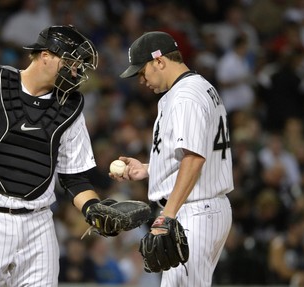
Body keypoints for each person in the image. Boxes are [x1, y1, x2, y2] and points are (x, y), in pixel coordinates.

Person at [0, 25, 112, 287]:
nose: (76, 71)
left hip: (38, 221)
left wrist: (94, 208)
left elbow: (74, 177)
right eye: (72, 63)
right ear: (46, 55)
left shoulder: (70, 109)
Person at [114, 31, 234, 286]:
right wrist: (150, 169)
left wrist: (166, 217)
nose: (141, 79)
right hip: (200, 207)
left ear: (159, 61)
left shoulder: (185, 97)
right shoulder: (195, 88)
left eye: (142, 71)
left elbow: (194, 159)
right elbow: (193, 153)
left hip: (194, 210)